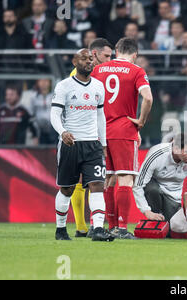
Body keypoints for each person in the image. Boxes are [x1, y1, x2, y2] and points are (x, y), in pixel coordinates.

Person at [92, 37, 153, 239]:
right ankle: (122, 227)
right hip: (124, 130)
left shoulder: (99, 70)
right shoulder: (137, 71)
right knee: (125, 178)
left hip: (101, 131)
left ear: (117, 51)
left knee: (107, 179)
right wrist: (141, 121)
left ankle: (107, 225)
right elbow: (148, 97)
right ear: (135, 54)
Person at [50, 49, 113, 242]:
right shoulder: (64, 86)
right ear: (75, 61)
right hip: (71, 144)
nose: (89, 62)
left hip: (92, 144)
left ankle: (97, 229)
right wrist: (63, 132)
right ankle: (60, 229)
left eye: (90, 59)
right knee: (67, 189)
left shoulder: (99, 86)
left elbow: (100, 116)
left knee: (97, 185)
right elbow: (54, 115)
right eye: (84, 59)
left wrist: (103, 142)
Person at [69, 38, 113, 238]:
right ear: (94, 54)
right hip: (77, 137)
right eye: (106, 56)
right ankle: (81, 226)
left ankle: (89, 226)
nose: (109, 60)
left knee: (94, 181)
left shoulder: (97, 77)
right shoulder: (79, 75)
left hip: (94, 136)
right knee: (79, 181)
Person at [133, 133, 187, 231]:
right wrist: (147, 211)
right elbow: (138, 185)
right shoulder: (157, 154)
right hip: (154, 188)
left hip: (174, 197)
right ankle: (155, 219)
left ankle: (163, 222)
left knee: (172, 230)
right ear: (176, 148)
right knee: (152, 189)